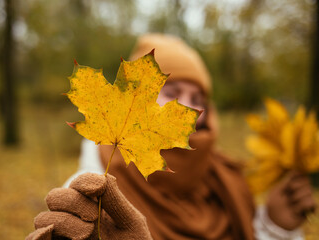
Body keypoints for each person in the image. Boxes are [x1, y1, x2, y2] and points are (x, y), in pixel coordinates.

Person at [26, 34, 316, 240]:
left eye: (198, 97)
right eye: (174, 93)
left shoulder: (230, 184)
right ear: (134, 101)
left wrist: (275, 229)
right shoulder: (92, 193)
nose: (190, 107)